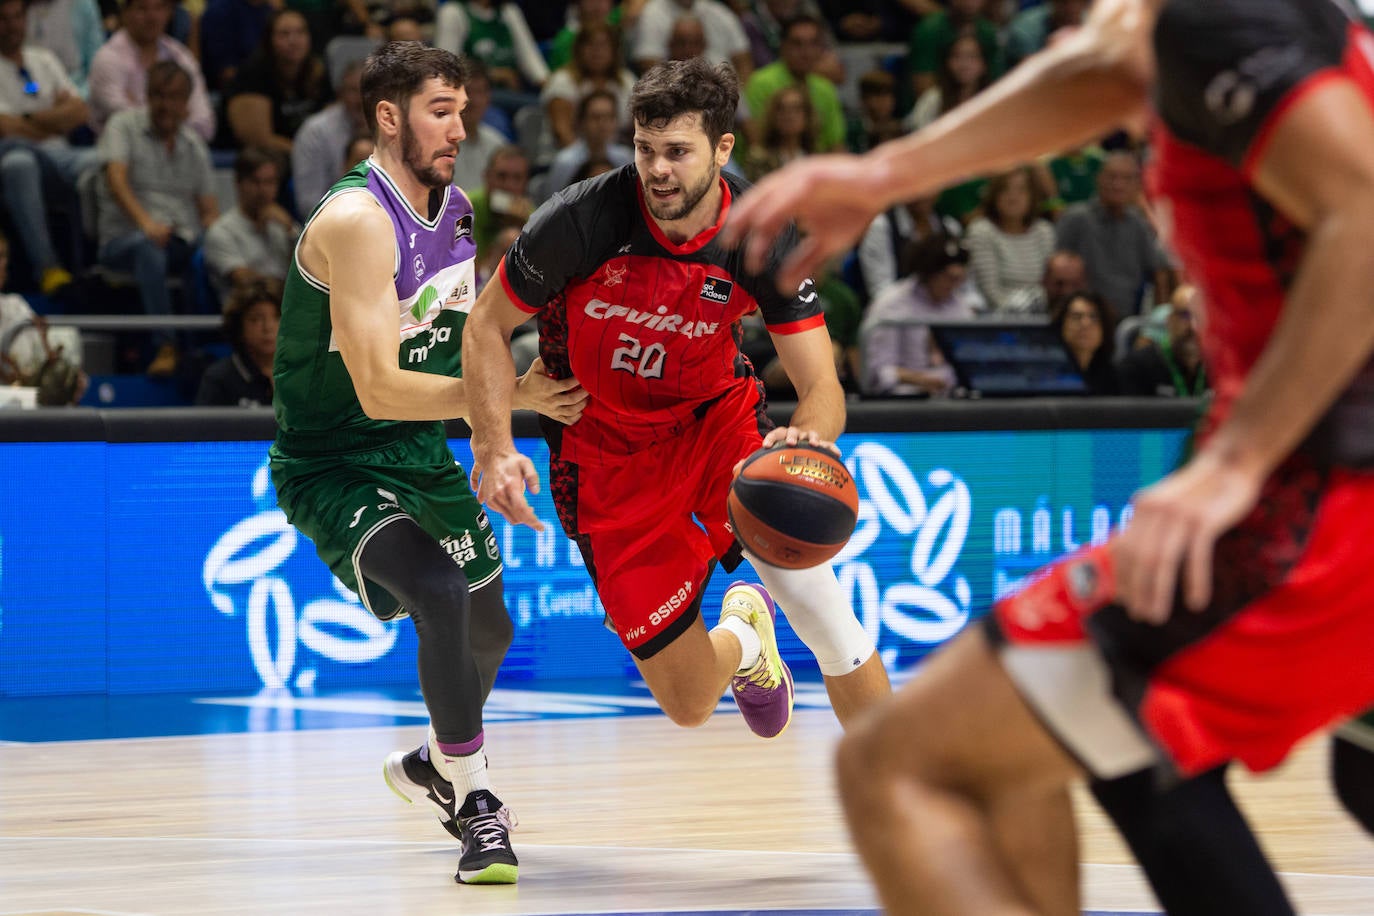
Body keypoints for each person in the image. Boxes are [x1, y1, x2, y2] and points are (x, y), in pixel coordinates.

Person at [722, 0, 1374, 913]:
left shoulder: (1224, 16)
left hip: (1331, 498)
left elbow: (1365, 214)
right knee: (1089, 745)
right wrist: (885, 174)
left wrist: (1238, 461)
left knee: (906, 767)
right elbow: (1108, 65)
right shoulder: (1204, 30)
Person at [463, 58, 891, 753]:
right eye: (645, 149)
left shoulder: (762, 231)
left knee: (822, 608)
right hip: (602, 451)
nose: (657, 169)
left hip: (715, 425)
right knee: (689, 702)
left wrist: (806, 442)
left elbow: (822, 385)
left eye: (677, 152)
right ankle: (745, 637)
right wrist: (493, 444)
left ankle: (910, 811)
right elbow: (485, 325)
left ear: (723, 150)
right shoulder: (581, 220)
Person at [269, 40, 587, 886]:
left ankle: (432, 762)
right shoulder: (356, 221)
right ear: (388, 117)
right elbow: (376, 388)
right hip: (333, 458)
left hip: (417, 447)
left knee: (491, 632)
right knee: (439, 592)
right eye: (440, 111)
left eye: (463, 108)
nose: (460, 126)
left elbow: (459, 345)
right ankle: (479, 805)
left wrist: (493, 441)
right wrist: (505, 403)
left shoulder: (455, 209)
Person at [94, 59, 218, 377]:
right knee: (149, 245)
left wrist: (220, 239)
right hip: (124, 241)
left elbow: (208, 210)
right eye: (158, 96)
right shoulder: (123, 126)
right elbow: (115, 180)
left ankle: (211, 342)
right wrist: (145, 223)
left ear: (186, 103)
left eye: (174, 97)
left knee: (212, 248)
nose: (165, 105)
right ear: (147, 96)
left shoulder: (194, 145)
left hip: (179, 240)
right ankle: (166, 345)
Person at [0, 0, 97, 295]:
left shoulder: (43, 59)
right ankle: (48, 267)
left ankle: (104, 265)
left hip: (58, 157)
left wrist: (28, 118)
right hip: (10, 157)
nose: (12, 25)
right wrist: (54, 119)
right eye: (3, 19)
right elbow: (4, 128)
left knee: (105, 160)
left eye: (17, 17)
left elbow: (80, 112)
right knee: (19, 162)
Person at [1055, 150, 1173, 316]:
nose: (1118, 185)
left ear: (1137, 185)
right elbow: (1056, 271)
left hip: (1127, 321)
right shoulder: (1076, 218)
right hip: (1084, 320)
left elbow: (1159, 273)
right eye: (1112, 176)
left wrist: (1157, 325)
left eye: (1127, 178)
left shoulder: (1138, 223)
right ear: (1098, 178)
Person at [858, 233, 973, 398]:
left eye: (958, 279)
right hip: (903, 401)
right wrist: (919, 380)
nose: (953, 285)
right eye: (948, 277)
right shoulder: (891, 305)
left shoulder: (960, 307)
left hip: (953, 397)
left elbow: (969, 363)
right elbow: (876, 373)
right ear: (927, 273)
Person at [88, 0, 215, 141]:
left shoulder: (181, 56)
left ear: (170, 13)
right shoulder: (107, 58)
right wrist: (178, 116)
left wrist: (139, 107)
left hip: (178, 152)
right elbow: (126, 124)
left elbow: (206, 125)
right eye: (142, 9)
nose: (152, 17)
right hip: (122, 155)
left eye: (159, 8)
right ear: (125, 13)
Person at [222, 8, 331, 157]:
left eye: (300, 32)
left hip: (308, 155)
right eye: (284, 34)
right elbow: (260, 140)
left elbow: (332, 123)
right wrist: (307, 154)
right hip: (265, 160)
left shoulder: (317, 72)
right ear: (269, 40)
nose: (293, 41)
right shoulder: (252, 75)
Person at [202, 145, 299, 304]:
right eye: (255, 182)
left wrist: (290, 230)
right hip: (247, 318)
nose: (263, 190)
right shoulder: (221, 231)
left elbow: (312, 271)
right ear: (238, 183)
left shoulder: (284, 226)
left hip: (287, 314)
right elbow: (248, 283)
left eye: (269, 182)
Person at [742, 14, 844, 155]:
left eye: (813, 43)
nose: (806, 52)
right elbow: (756, 140)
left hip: (815, 167)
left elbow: (836, 144)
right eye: (797, 44)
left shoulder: (825, 88)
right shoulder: (761, 83)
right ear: (783, 46)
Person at [291, 59, 366, 216]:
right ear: (340, 93)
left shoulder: (391, 127)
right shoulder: (315, 132)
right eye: (353, 90)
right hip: (331, 224)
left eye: (366, 91)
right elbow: (309, 202)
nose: (360, 99)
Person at [194, 278, 279, 406]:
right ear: (239, 327)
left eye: (277, 317)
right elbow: (203, 426)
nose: (268, 327)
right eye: (256, 319)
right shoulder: (220, 379)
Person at [1117, 282, 1206, 397]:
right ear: (1169, 320)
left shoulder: (1224, 369)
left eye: (1201, 315)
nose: (1193, 326)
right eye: (1185, 315)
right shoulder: (1137, 366)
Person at [1050, 290, 1117, 394]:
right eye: (1076, 317)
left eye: (1094, 317)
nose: (1085, 323)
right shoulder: (1044, 376)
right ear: (1061, 325)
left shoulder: (1117, 378)